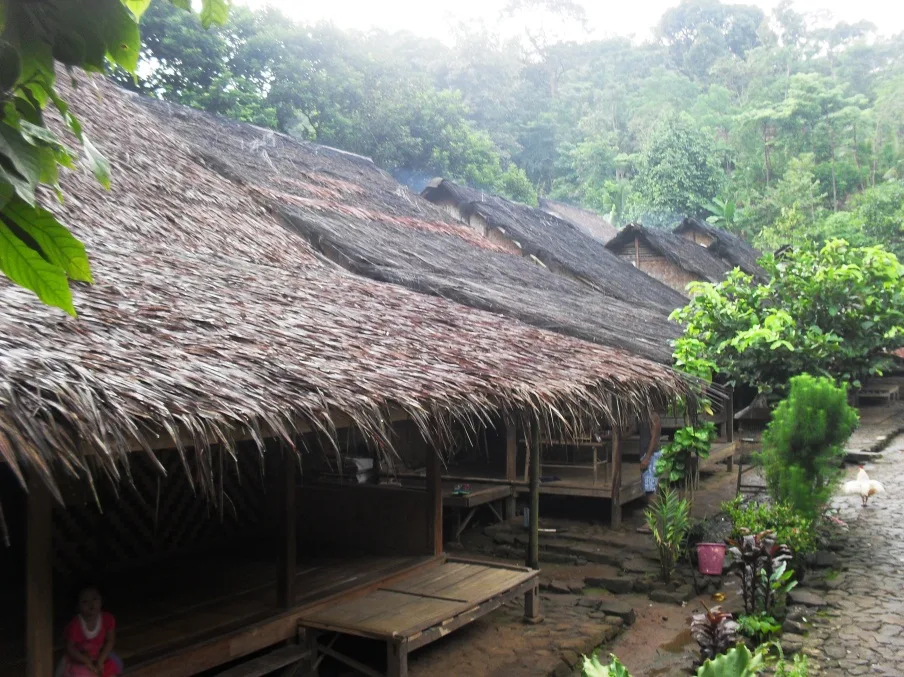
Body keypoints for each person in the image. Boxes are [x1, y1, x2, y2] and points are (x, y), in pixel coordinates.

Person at [59, 586, 123, 677]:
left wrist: (100, 660)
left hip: (99, 655)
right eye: (85, 602)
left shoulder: (107, 619)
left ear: (101, 599)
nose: (91, 604)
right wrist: (86, 661)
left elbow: (110, 640)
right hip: (79, 658)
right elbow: (70, 648)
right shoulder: (75, 625)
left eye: (95, 599)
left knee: (112, 668)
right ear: (78, 606)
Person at [636, 411, 662, 534]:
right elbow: (633, 430)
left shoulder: (653, 416)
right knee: (648, 489)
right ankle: (652, 520)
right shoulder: (641, 416)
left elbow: (654, 439)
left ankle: (651, 522)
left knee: (650, 489)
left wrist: (647, 457)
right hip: (645, 455)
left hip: (651, 456)